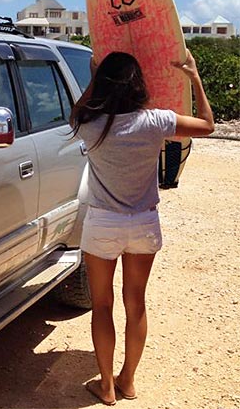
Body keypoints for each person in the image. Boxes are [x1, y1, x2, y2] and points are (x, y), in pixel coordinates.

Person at [70, 49, 214, 406]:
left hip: (103, 223)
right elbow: (208, 126)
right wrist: (194, 78)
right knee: (136, 303)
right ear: (139, 84)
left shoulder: (91, 125)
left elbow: (75, 111)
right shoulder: (155, 122)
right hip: (143, 223)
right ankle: (128, 380)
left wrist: (93, 76)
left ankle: (105, 386)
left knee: (102, 306)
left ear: (103, 84)